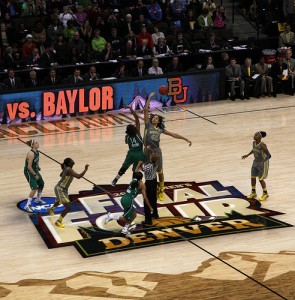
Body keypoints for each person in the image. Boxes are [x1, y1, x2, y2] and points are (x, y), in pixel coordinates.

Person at [144, 92, 192, 201]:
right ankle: (150, 188)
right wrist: (150, 97)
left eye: (157, 118)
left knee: (159, 171)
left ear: (159, 121)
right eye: (154, 117)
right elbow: (146, 110)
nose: (155, 118)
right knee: (148, 171)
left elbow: (173, 134)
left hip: (156, 151)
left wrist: (185, 138)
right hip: (147, 151)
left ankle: (161, 189)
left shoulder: (160, 129)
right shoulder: (148, 125)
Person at [47, 158, 89, 228]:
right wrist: (85, 169)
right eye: (71, 160)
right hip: (60, 189)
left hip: (64, 189)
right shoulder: (69, 170)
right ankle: (58, 221)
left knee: (59, 201)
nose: (73, 160)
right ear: (69, 163)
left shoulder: (67, 168)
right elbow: (78, 176)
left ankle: (51, 209)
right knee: (68, 207)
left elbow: (61, 175)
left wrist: (63, 170)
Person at [111, 106, 145, 186]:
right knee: (136, 171)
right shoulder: (137, 133)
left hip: (131, 154)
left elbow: (126, 142)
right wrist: (130, 109)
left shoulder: (127, 137)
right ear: (134, 129)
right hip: (139, 154)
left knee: (124, 168)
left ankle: (115, 180)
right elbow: (136, 118)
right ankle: (133, 185)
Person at [242, 131, 271, 202]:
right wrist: (247, 155)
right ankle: (253, 192)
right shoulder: (254, 143)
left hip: (262, 164)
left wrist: (262, 161)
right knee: (253, 177)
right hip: (255, 162)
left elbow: (269, 155)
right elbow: (254, 149)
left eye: (256, 135)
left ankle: (265, 193)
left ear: (260, 137)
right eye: (254, 134)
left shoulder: (263, 145)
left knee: (261, 179)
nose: (254, 136)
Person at [136, 146, 159, 227]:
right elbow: (154, 155)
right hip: (154, 181)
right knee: (153, 198)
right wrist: (150, 150)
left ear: (150, 159)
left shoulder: (148, 166)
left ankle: (148, 220)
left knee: (147, 201)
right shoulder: (156, 162)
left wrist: (139, 163)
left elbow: (140, 169)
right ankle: (155, 214)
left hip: (149, 183)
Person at [24, 140, 46, 212]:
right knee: (34, 188)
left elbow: (36, 161)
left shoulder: (37, 152)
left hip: (35, 170)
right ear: (32, 145)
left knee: (41, 183)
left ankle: (37, 199)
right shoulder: (31, 154)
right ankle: (27, 205)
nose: (38, 143)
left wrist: (38, 166)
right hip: (29, 172)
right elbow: (29, 167)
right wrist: (35, 174)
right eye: (36, 143)